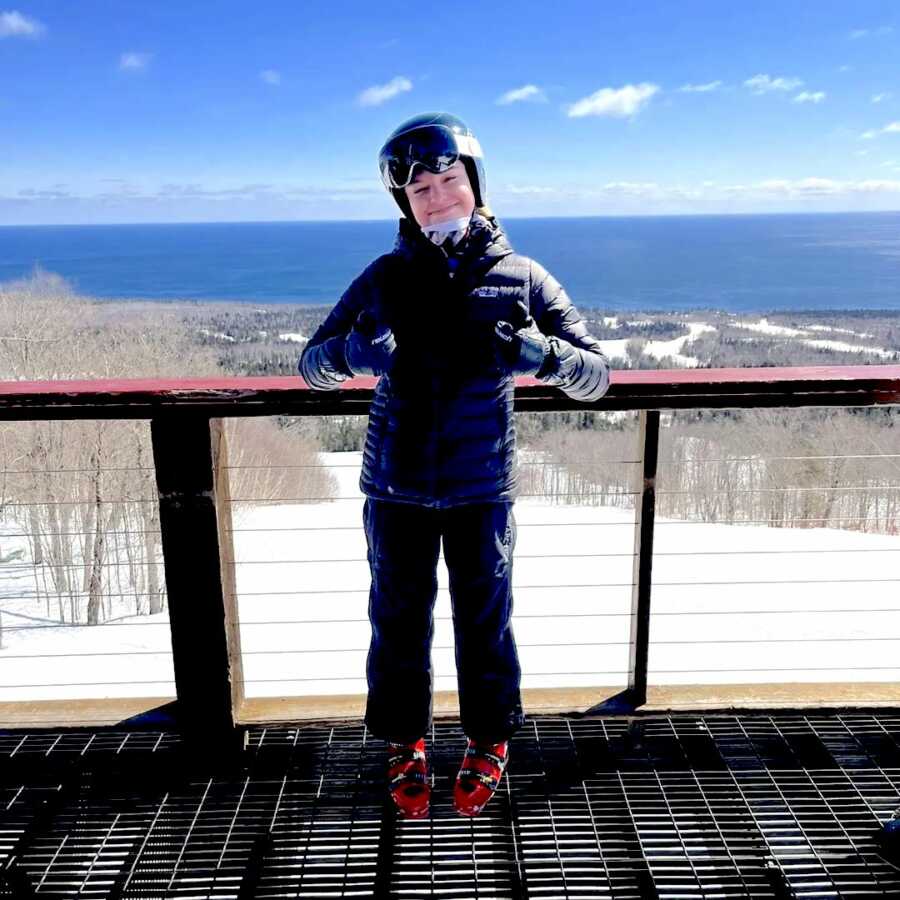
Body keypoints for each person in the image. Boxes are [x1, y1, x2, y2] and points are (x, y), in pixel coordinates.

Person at [299, 112, 610, 819]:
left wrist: (543, 357)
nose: (437, 199)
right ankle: (404, 740)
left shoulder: (523, 278)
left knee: (485, 622)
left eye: (449, 181)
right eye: (421, 191)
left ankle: (490, 738)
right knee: (398, 621)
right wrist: (353, 356)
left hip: (481, 489)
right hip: (395, 487)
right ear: (403, 204)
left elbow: (598, 374)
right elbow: (310, 364)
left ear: (475, 183)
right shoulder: (382, 278)